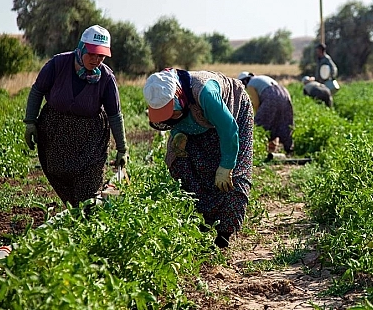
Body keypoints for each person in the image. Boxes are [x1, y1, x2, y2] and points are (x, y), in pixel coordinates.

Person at [144, 68, 254, 248]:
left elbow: (228, 129)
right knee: (181, 165)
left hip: (232, 116)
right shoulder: (160, 94)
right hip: (199, 124)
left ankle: (223, 237)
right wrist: (179, 132)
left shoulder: (205, 92)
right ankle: (200, 226)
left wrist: (226, 165)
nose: (169, 118)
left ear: (179, 96)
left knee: (234, 177)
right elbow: (168, 119)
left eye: (171, 112)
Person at [23, 25, 128, 207]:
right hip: (56, 135)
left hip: (90, 140)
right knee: (61, 179)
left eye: (101, 56)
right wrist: (30, 122)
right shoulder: (58, 64)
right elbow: (37, 90)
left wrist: (122, 148)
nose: (96, 60)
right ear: (81, 48)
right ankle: (76, 218)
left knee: (88, 193)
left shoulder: (106, 78)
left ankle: (88, 217)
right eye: (92, 54)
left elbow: (115, 115)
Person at [237, 71, 294, 154]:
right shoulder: (261, 78)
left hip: (271, 96)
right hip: (284, 94)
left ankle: (258, 149)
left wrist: (256, 114)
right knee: (283, 121)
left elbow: (256, 103)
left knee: (261, 123)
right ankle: (289, 149)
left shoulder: (250, 84)